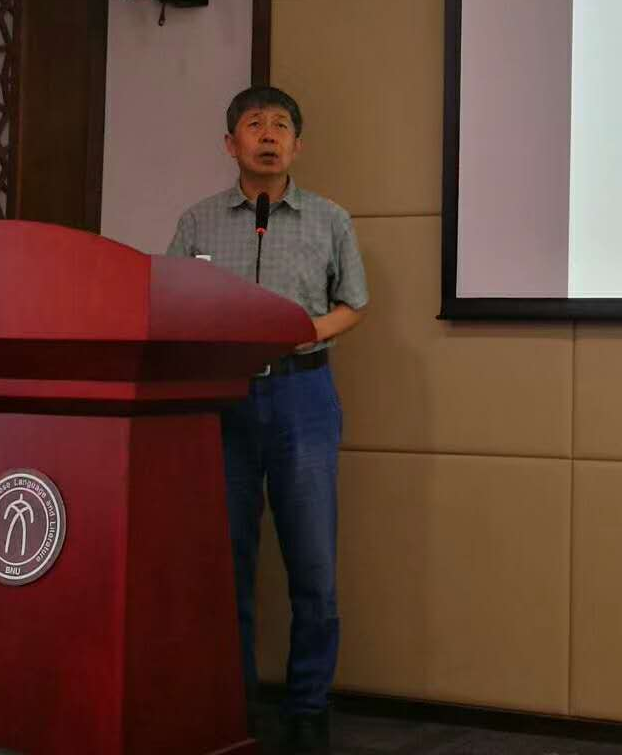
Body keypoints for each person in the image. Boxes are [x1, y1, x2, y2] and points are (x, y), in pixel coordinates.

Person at [167, 85, 367, 754]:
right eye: (255, 124)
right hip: (221, 399)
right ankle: (235, 702)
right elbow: (171, 303)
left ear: (297, 145)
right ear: (231, 144)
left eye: (281, 125)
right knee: (228, 560)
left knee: (312, 562)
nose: (269, 134)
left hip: (302, 394)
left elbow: (354, 304)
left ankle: (308, 708)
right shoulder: (197, 222)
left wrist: (303, 331)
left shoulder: (329, 219)